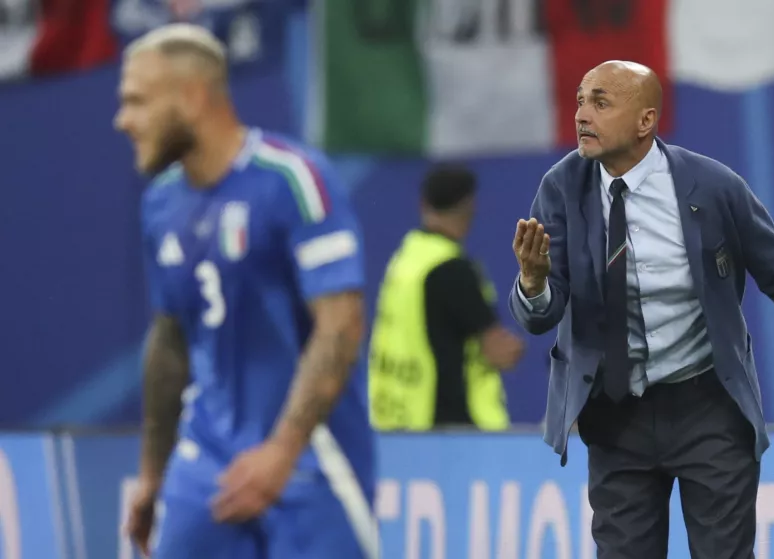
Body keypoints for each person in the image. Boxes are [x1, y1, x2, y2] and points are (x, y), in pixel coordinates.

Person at [508, 60, 774, 558]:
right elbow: (541, 315)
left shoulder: (712, 187)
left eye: (601, 102)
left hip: (707, 409)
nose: (583, 114)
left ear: (646, 121)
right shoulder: (561, 189)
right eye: (581, 100)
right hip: (614, 415)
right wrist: (533, 282)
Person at [115, 24, 378, 559]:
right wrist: (151, 473)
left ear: (191, 97)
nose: (123, 120)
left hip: (313, 462)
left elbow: (341, 324)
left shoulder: (293, 181)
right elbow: (170, 341)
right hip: (206, 463)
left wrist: (282, 452)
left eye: (137, 101)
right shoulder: (159, 205)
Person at [369, 164, 524, 431]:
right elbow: (498, 352)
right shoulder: (453, 270)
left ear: (423, 203)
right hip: (449, 427)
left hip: (396, 418)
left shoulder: (404, 261)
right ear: (469, 206)